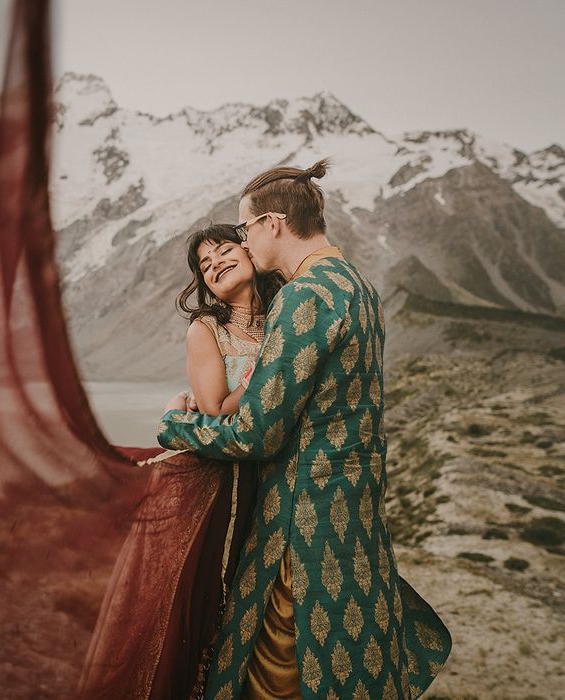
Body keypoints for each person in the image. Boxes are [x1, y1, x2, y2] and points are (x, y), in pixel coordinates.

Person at [158, 160, 452, 699]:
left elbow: (254, 436)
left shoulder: (302, 296)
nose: (242, 242)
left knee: (281, 674)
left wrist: (178, 427)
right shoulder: (360, 289)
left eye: (244, 230)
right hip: (357, 511)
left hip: (306, 519)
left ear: (272, 223)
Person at [79, 224, 283, 700]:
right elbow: (213, 409)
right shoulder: (206, 329)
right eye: (205, 266)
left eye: (224, 251)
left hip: (286, 475)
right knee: (215, 602)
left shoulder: (288, 313)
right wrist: (269, 370)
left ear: (250, 250)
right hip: (225, 482)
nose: (216, 265)